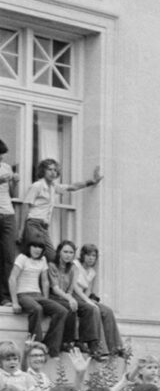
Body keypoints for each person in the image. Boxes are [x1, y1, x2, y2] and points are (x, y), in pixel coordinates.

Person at [21, 159, 102, 251]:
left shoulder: (53, 187)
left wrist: (92, 181)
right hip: (33, 224)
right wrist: (21, 230)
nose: (53, 172)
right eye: (50, 169)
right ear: (43, 171)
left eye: (55, 170)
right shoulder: (37, 185)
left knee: (51, 256)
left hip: (44, 227)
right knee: (36, 254)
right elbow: (26, 205)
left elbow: (73, 187)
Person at [10, 240, 70, 357]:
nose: (37, 249)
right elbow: (12, 279)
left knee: (62, 311)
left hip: (38, 295)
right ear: (29, 247)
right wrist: (15, 302)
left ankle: (49, 346)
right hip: (23, 294)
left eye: (40, 247)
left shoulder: (43, 260)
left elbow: (45, 281)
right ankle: (36, 344)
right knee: (37, 308)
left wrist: (46, 300)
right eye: (35, 246)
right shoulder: (22, 258)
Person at [0, 139, 18, 307]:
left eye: (2, 155)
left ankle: (6, 296)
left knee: (8, 256)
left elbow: (12, 193)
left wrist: (14, 182)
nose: (1, 158)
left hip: (8, 214)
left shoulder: (6, 168)